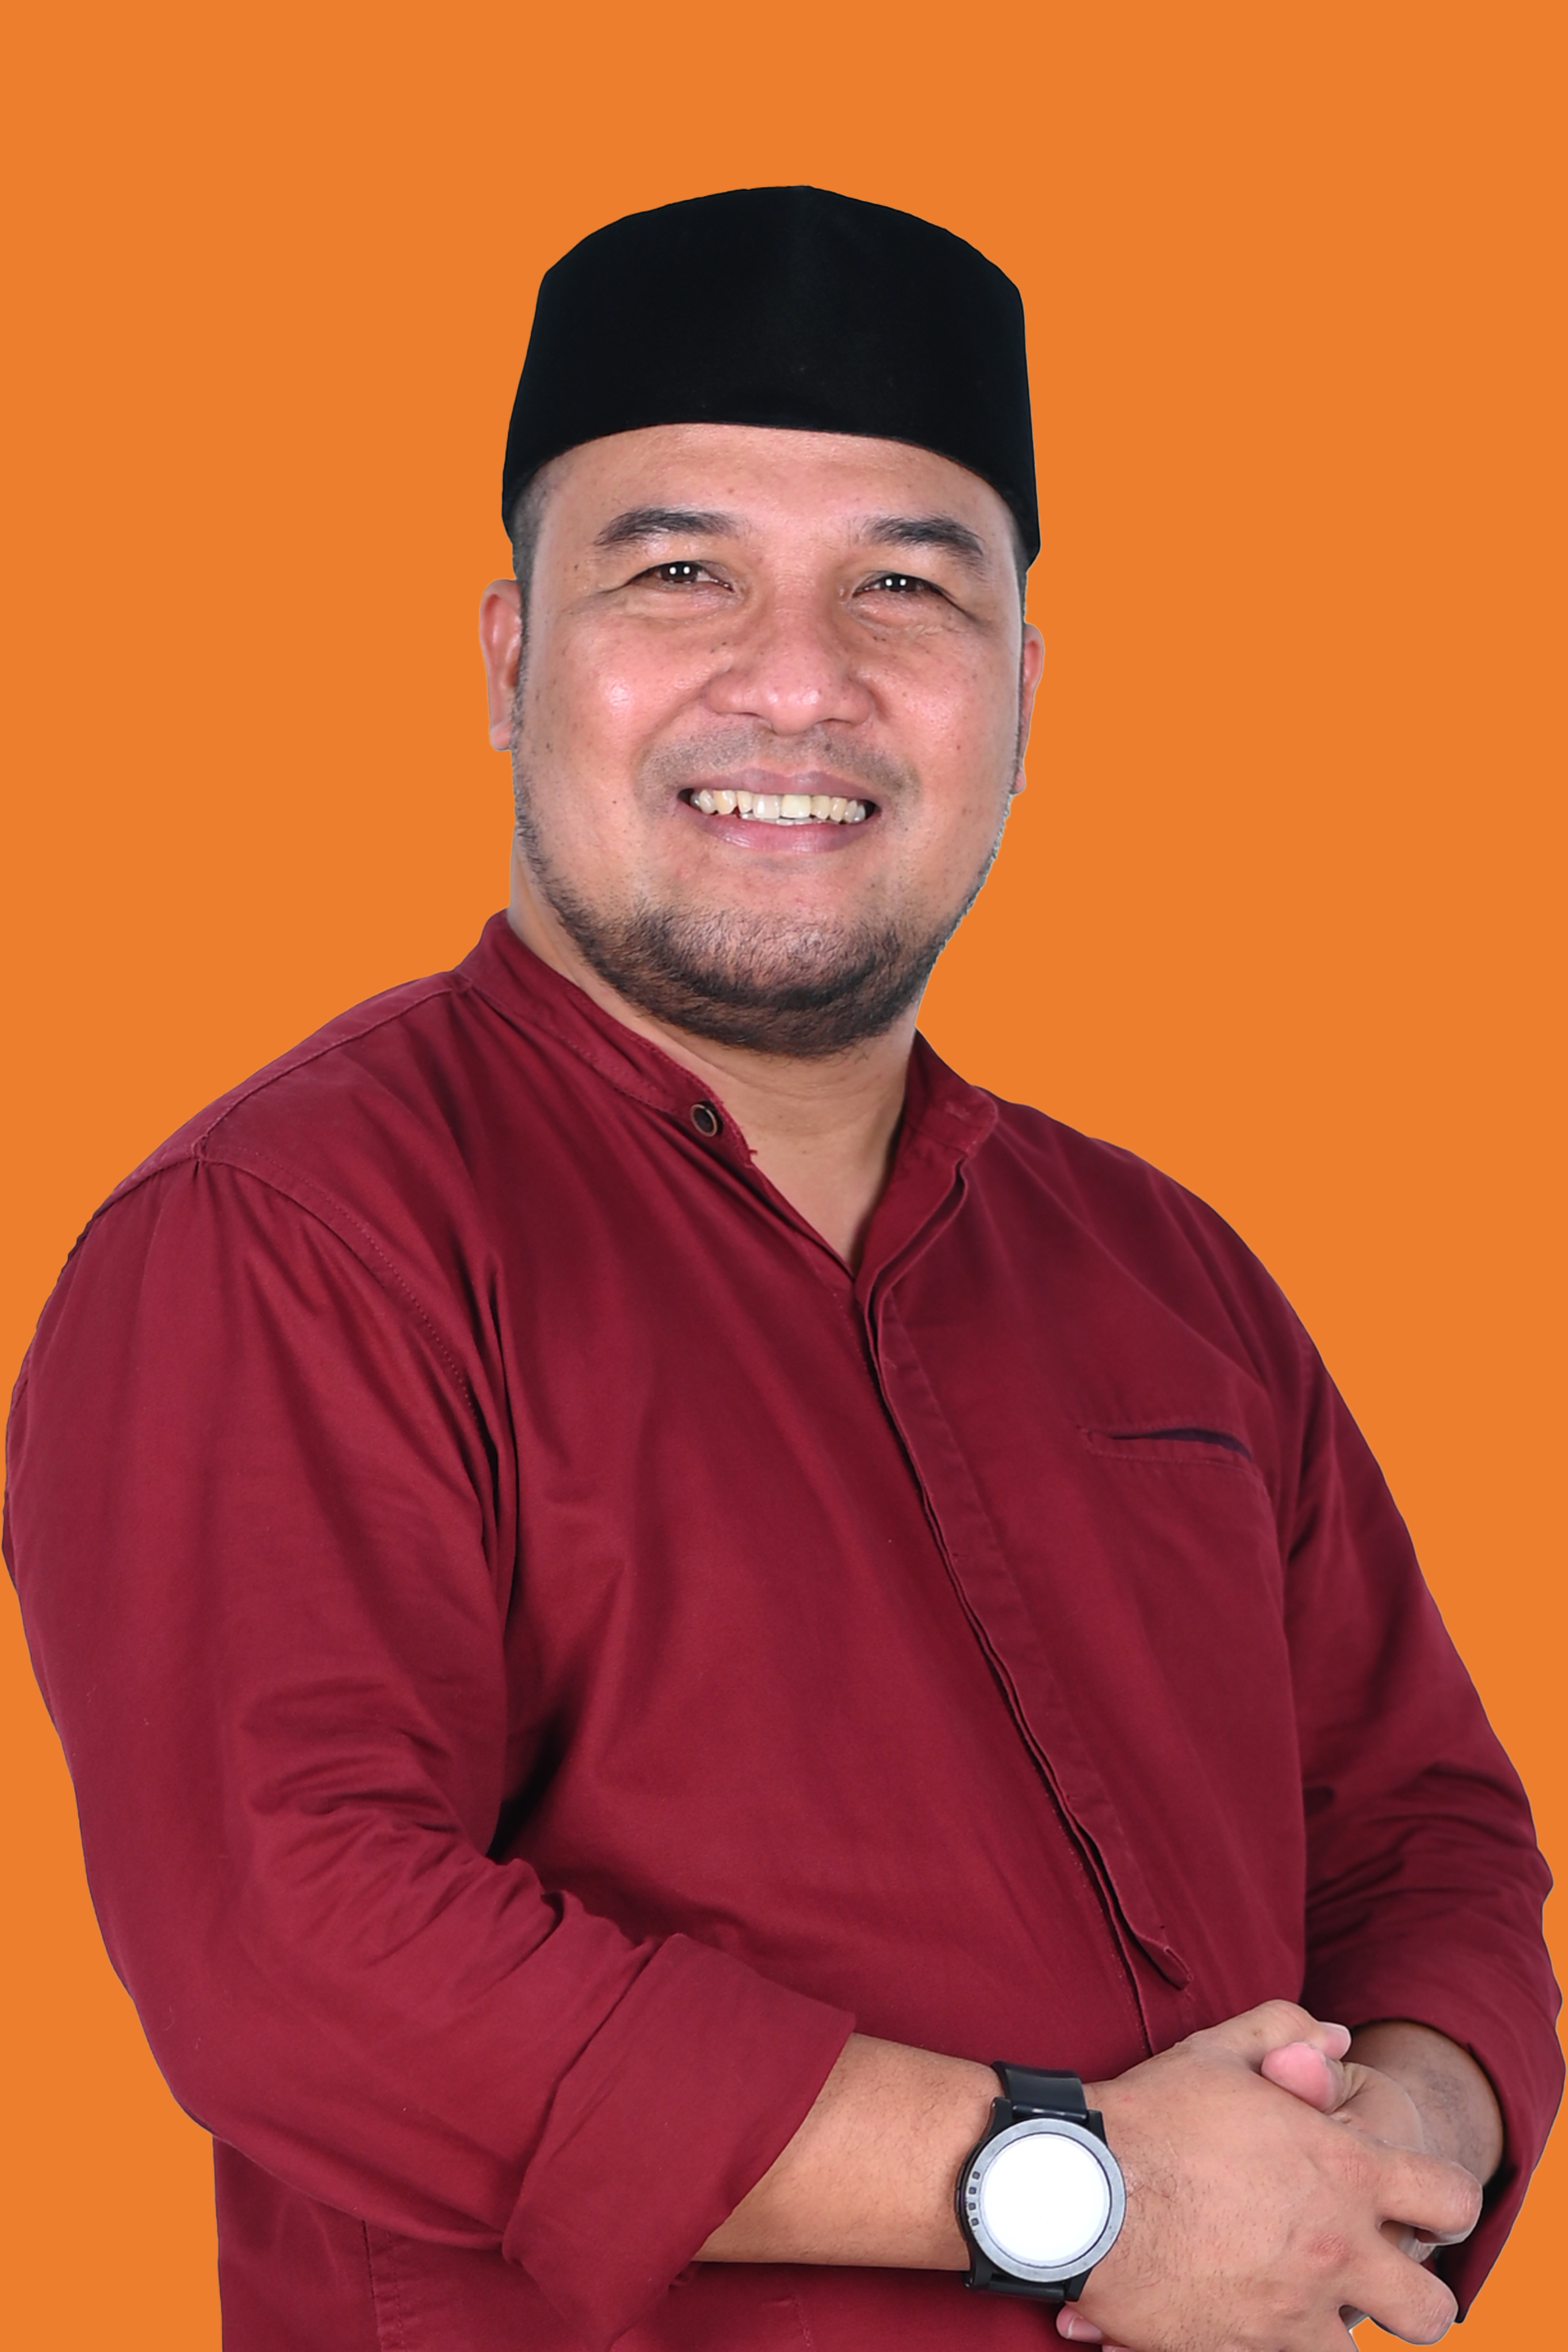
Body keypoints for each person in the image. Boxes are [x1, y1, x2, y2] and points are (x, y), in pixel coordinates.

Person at [4, 186, 1559, 2352]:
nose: (800, 682)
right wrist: (1076, 2191)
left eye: (904, 590)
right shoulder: (286, 1238)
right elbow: (305, 1940)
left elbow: (1422, 1829)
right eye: (679, 572)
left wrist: (1379, 2142)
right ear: (510, 660)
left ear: (1017, 690)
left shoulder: (1165, 1270)